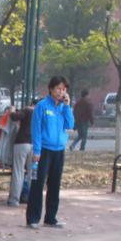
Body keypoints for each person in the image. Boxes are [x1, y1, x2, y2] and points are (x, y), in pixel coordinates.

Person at [26, 76, 74, 229]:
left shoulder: (63, 107)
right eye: (58, 88)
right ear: (51, 89)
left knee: (55, 184)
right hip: (44, 150)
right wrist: (37, 150)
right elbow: (36, 129)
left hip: (59, 150)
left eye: (63, 89)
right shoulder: (42, 106)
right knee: (38, 183)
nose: (61, 92)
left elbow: (70, 125)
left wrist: (67, 107)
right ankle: (33, 218)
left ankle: (51, 218)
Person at [7, 99, 36, 207]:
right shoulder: (42, 112)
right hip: (35, 145)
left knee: (18, 172)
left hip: (22, 143)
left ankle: (14, 200)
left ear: (32, 104)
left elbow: (14, 117)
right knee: (32, 173)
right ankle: (32, 199)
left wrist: (12, 110)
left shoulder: (28, 110)